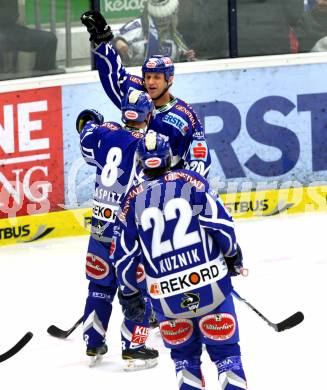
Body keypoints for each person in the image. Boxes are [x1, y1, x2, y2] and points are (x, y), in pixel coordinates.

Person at [114, 130, 247, 390]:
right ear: (168, 157)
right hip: (212, 289)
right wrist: (233, 257)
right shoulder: (193, 182)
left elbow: (124, 257)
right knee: (228, 359)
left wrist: (129, 295)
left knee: (185, 362)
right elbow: (222, 226)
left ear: (140, 161)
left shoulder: (130, 202)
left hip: (167, 299)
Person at [77, 89, 158, 369]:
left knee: (99, 286)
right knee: (137, 288)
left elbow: (85, 134)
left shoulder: (104, 133)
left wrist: (90, 121)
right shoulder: (146, 144)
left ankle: (92, 341)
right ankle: (134, 345)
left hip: (101, 225)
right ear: (148, 115)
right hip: (128, 230)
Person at [80, 9, 211, 179]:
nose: (150, 82)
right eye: (147, 76)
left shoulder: (184, 115)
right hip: (129, 183)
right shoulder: (136, 92)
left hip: (164, 187)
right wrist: (102, 41)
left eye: (157, 77)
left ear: (169, 79)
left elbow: (200, 157)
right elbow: (114, 75)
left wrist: (185, 187)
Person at [112, 0, 196, 66]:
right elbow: (107, 43)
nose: (164, 21)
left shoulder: (176, 39)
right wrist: (116, 42)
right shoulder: (137, 27)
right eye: (160, 18)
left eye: (168, 17)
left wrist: (186, 59)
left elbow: (179, 64)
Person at [0, 1, 58, 75]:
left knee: (49, 39)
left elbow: (13, 15)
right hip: (5, 30)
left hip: (9, 28)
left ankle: (42, 80)